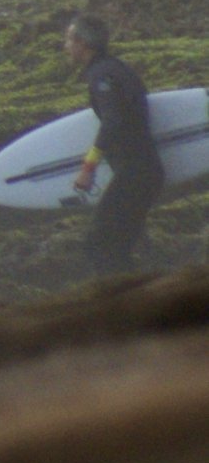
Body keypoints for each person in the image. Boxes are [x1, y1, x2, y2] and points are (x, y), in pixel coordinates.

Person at [65, 14, 163, 277]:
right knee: (116, 247)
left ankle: (129, 309)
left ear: (82, 43)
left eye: (69, 38)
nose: (66, 46)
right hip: (141, 172)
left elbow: (112, 121)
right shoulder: (112, 69)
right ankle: (142, 302)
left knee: (99, 244)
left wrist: (88, 166)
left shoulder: (103, 75)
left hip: (136, 173)